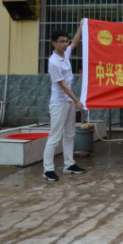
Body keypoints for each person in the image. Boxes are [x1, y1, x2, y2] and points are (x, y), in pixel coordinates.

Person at [43, 21, 86, 181]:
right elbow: (62, 85)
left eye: (65, 41)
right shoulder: (53, 62)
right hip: (59, 103)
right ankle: (48, 169)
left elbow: (75, 42)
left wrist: (81, 26)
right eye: (61, 41)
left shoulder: (66, 53)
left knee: (69, 135)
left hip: (68, 102)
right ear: (53, 43)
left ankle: (69, 164)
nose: (65, 44)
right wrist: (77, 100)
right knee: (55, 137)